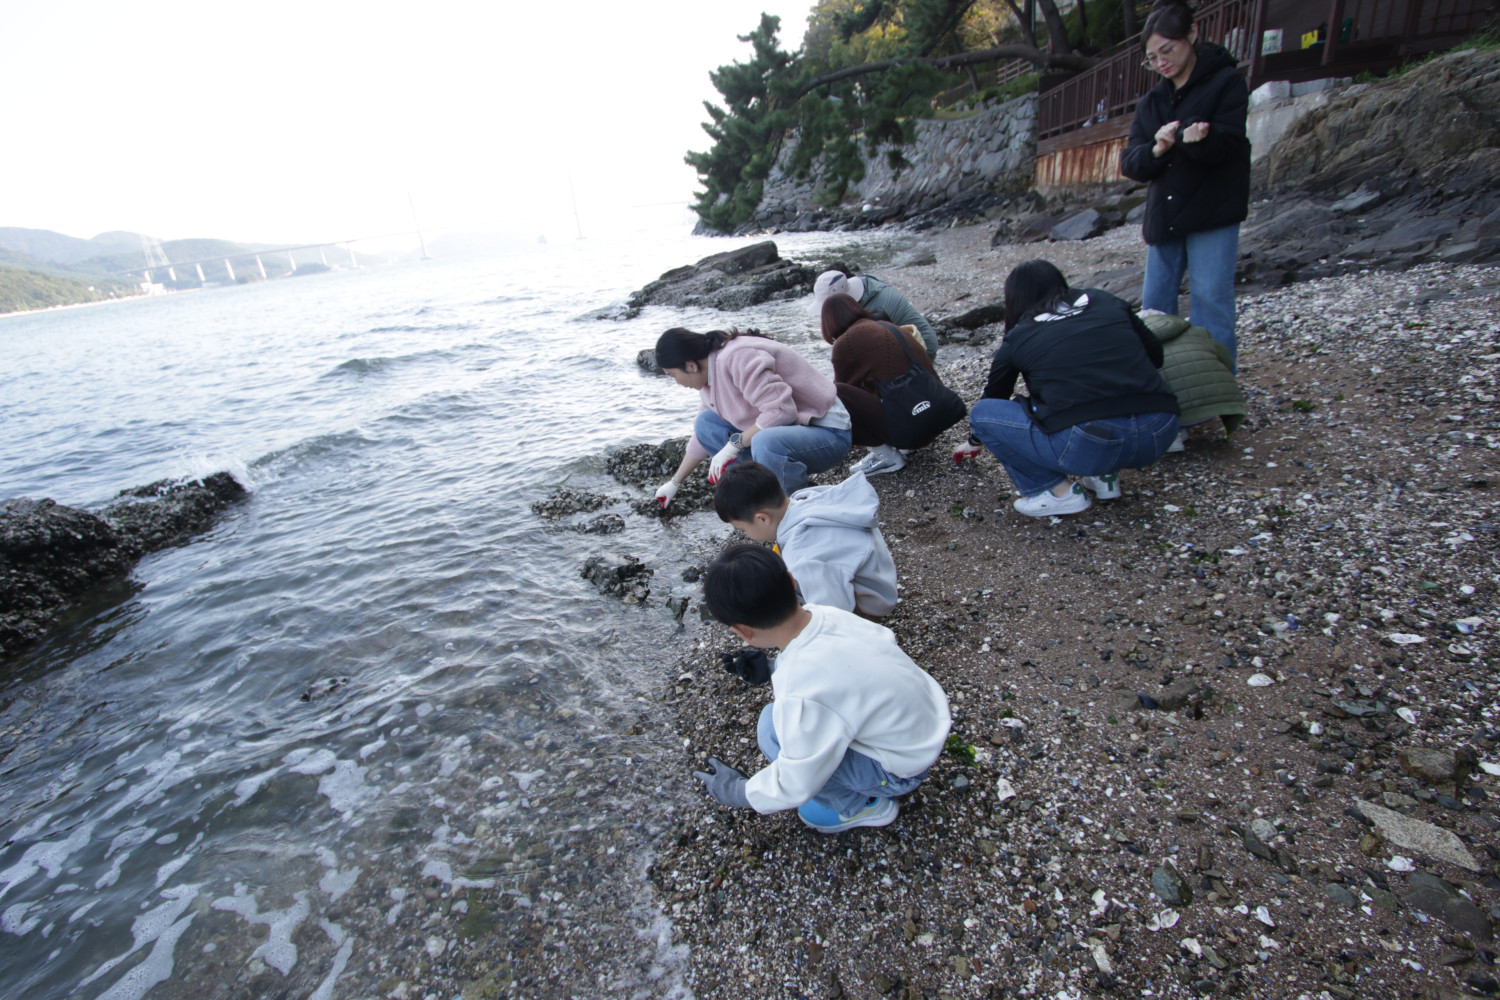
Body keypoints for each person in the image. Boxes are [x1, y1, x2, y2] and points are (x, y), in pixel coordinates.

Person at [690, 544, 950, 834]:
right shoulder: (826, 614)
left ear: (742, 631)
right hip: (929, 723)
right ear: (791, 581)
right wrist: (772, 667)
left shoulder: (800, 689)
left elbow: (796, 781)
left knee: (771, 728)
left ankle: (862, 807)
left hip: (901, 771)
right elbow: (842, 671)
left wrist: (739, 791)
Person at [959, 260, 1180, 518]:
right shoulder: (1107, 301)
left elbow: (994, 399)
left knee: (983, 413)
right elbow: (1155, 357)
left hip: (1091, 441)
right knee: (1100, 397)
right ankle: (1104, 476)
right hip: (1161, 429)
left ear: (1015, 299)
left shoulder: (1019, 335)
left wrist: (974, 440)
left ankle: (1056, 493)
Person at [1119, 0, 1251, 373]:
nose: (1162, 62)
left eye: (1167, 50)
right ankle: (1161, 388)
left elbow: (1231, 145)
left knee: (1211, 302)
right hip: (1165, 217)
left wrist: (1201, 141)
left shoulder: (1226, 82)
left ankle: (1220, 384)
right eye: (1152, 58)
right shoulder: (1152, 103)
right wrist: (1156, 149)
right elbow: (1131, 163)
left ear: (1191, 34)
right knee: (1155, 308)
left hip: (1213, 212)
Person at [652, 327, 852, 506]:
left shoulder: (737, 357)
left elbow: (782, 411)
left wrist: (734, 445)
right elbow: (701, 438)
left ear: (690, 366)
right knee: (705, 423)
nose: (677, 382)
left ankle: (791, 512)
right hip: (793, 432)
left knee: (766, 441)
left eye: (672, 375)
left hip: (828, 432)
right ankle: (767, 494)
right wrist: (675, 482)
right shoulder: (708, 378)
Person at [713, 460, 897, 618]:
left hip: (872, 604)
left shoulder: (803, 554)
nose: (746, 534)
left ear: (762, 518)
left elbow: (835, 617)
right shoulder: (808, 498)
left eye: (743, 529)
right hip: (880, 576)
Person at [820, 292, 944, 476]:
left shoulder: (845, 344)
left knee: (837, 394)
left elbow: (841, 394)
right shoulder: (884, 325)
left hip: (916, 428)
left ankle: (888, 456)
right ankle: (906, 444)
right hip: (938, 413)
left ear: (828, 322)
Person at [1139, 310, 1246, 450]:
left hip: (1176, 415)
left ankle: (1172, 437)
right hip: (1221, 407)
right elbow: (1227, 361)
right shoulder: (1197, 332)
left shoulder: (1137, 344)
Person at [807, 270, 940, 361]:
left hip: (923, 347)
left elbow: (873, 356)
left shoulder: (876, 313)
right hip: (908, 340)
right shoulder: (866, 282)